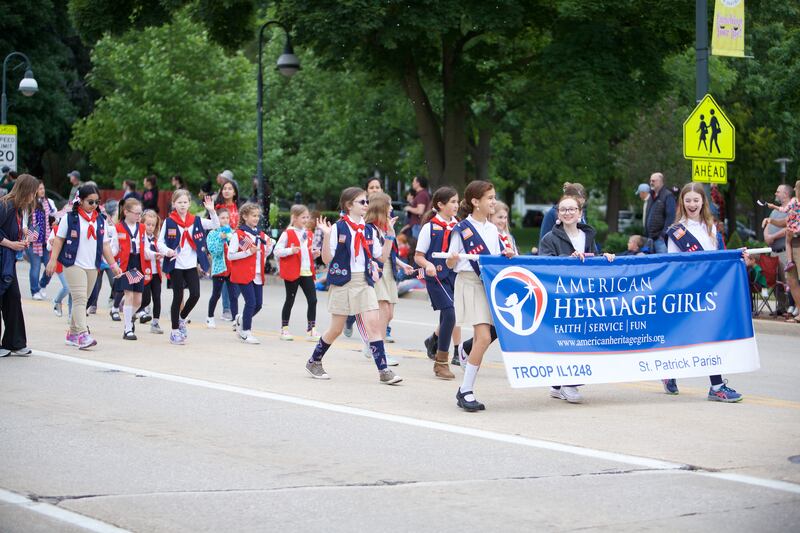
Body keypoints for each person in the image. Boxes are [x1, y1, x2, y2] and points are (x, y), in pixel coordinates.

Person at [305, 187, 402, 385]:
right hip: (342, 282)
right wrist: (326, 236)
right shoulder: (337, 229)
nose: (366, 205)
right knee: (336, 329)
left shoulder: (369, 230)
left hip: (364, 282)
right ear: (349, 206)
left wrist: (390, 235)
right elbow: (326, 259)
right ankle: (314, 361)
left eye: (366, 202)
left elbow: (381, 257)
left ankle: (384, 370)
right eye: (362, 202)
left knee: (373, 326)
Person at [663, 183, 744, 400]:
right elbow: (674, 264)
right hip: (687, 290)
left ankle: (716, 386)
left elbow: (717, 258)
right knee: (682, 334)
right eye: (687, 200)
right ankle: (669, 371)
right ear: (682, 202)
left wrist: (737, 256)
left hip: (709, 290)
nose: (692, 204)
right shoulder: (676, 231)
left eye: (695, 200)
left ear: (702, 202)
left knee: (710, 335)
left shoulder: (711, 227)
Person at [539, 194, 615, 403]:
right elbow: (543, 266)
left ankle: (559, 384)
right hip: (562, 297)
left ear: (580, 213)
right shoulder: (550, 239)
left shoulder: (587, 236)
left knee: (580, 338)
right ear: (558, 214)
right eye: (563, 209)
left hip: (584, 298)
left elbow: (593, 260)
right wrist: (567, 259)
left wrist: (605, 258)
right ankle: (569, 384)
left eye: (572, 209)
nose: (568, 213)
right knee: (566, 339)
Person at [447, 180, 514, 411]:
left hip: (487, 284)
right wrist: (452, 257)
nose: (493, 201)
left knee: (486, 336)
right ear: (476, 202)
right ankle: (465, 390)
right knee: (484, 337)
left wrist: (505, 254)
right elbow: (449, 261)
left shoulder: (493, 229)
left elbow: (493, 260)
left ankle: (465, 385)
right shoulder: (462, 228)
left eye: (494, 197)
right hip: (469, 283)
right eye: (489, 198)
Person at [46, 184, 123, 349]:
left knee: (84, 300)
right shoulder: (70, 218)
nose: (94, 205)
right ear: (80, 201)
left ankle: (72, 333)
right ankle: (82, 334)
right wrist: (53, 260)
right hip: (73, 263)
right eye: (90, 202)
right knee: (80, 298)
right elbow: (59, 239)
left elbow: (105, 245)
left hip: (92, 265)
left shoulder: (100, 220)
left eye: (97, 202)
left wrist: (113, 264)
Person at [157, 189, 219, 345]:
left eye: (185, 202)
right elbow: (159, 242)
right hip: (176, 264)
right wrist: (168, 251)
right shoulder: (169, 221)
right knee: (178, 297)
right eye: (179, 202)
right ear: (174, 204)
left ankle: (182, 318)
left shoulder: (196, 221)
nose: (183, 205)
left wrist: (211, 211)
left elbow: (215, 225)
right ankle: (174, 331)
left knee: (196, 294)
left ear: (189, 204)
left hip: (191, 265)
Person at [415, 186, 462, 377]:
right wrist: (427, 265)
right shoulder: (430, 227)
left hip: (453, 275)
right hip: (436, 276)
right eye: (452, 202)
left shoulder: (458, 225)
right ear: (440, 205)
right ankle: (441, 362)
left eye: (457, 202)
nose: (456, 205)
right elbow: (418, 256)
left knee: (448, 314)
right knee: (450, 313)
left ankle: (433, 340)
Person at [364, 192, 415, 359]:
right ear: (380, 208)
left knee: (389, 313)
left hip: (389, 271)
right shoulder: (369, 229)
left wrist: (401, 264)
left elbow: (389, 253)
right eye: (389, 205)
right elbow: (376, 255)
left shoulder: (386, 227)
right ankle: (380, 351)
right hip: (377, 273)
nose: (392, 208)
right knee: (384, 311)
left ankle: (371, 343)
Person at [0, 174, 40, 356]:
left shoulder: (18, 208)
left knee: (13, 299)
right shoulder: (5, 206)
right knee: (6, 299)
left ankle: (14, 342)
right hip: (3, 258)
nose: (35, 196)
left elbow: (17, 228)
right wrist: (11, 243)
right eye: (33, 192)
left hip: (7, 260)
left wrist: (25, 236)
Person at [227, 202, 273, 344]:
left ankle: (241, 319)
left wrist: (269, 247)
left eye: (258, 216)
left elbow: (264, 254)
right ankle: (245, 332)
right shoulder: (239, 235)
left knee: (258, 304)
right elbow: (230, 255)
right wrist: (247, 252)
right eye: (253, 215)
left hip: (258, 273)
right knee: (251, 302)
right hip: (243, 273)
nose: (256, 218)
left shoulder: (259, 234)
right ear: (245, 216)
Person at [275, 204, 320, 341]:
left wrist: (313, 255)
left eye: (307, 217)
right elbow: (277, 251)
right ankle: (284, 329)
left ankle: (311, 330)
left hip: (306, 271)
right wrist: (290, 251)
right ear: (294, 218)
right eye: (303, 217)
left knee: (313, 300)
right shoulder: (287, 233)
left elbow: (305, 254)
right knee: (290, 299)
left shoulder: (308, 234)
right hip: (293, 271)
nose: (306, 220)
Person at [113, 198, 147, 340]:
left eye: (140, 213)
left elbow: (146, 247)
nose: (139, 216)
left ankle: (129, 318)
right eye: (136, 213)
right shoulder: (118, 227)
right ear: (126, 212)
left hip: (138, 262)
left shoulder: (142, 228)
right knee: (129, 295)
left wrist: (157, 254)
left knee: (138, 300)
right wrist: (112, 262)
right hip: (126, 263)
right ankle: (127, 329)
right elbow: (114, 248)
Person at [763, 183, 796, 318]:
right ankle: (781, 307)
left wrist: (773, 236)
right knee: (776, 281)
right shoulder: (774, 211)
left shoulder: (792, 209)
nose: (776, 194)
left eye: (778, 192)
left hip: (785, 251)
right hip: (773, 251)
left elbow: (789, 226)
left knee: (789, 281)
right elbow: (768, 223)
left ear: (786, 194)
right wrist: (766, 235)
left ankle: (792, 307)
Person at [205, 208, 239, 328]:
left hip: (231, 268)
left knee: (233, 295)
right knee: (216, 294)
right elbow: (214, 251)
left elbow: (238, 247)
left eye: (227, 218)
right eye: (222, 218)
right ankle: (210, 317)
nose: (225, 220)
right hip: (219, 269)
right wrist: (221, 238)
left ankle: (235, 318)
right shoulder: (212, 234)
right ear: (217, 219)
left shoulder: (233, 233)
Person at [27, 181, 56, 300]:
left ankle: (42, 284)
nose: (42, 191)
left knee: (51, 266)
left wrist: (56, 221)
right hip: (33, 241)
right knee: (35, 267)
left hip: (46, 240)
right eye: (39, 189)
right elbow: (24, 220)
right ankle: (34, 291)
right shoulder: (29, 204)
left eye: (43, 188)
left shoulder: (49, 202)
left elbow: (55, 215)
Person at [538, 182, 589, 248]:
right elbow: (543, 244)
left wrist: (602, 256)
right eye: (577, 204)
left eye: (581, 205)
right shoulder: (551, 214)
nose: (579, 209)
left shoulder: (580, 213)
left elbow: (589, 245)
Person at [138, 210, 163, 333]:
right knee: (146, 298)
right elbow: (145, 252)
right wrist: (156, 254)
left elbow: (162, 250)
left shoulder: (157, 239)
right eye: (148, 224)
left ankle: (155, 323)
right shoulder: (141, 239)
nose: (150, 227)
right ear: (142, 224)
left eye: (153, 225)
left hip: (156, 273)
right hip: (145, 272)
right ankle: (136, 312)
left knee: (157, 298)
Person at [645, 172, 676, 253]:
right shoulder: (651, 196)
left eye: (653, 181)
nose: (651, 183)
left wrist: (663, 235)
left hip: (661, 240)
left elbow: (671, 217)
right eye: (650, 181)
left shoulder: (668, 195)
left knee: (663, 263)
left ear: (660, 181)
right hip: (651, 238)